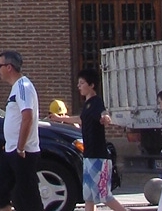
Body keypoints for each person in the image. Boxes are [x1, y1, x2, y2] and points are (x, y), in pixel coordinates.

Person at [50, 68, 125, 211]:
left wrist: (105, 118)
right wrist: (61, 119)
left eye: (82, 83)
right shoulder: (87, 104)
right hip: (89, 155)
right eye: (78, 83)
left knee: (104, 195)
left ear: (92, 85)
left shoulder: (96, 102)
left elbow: (103, 113)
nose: (79, 86)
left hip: (99, 156)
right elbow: (81, 119)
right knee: (88, 196)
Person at [0, 50, 44, 211]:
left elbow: (27, 117)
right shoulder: (16, 88)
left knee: (27, 198)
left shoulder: (23, 87)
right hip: (11, 149)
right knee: (0, 192)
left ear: (9, 67)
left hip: (23, 152)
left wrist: (20, 147)